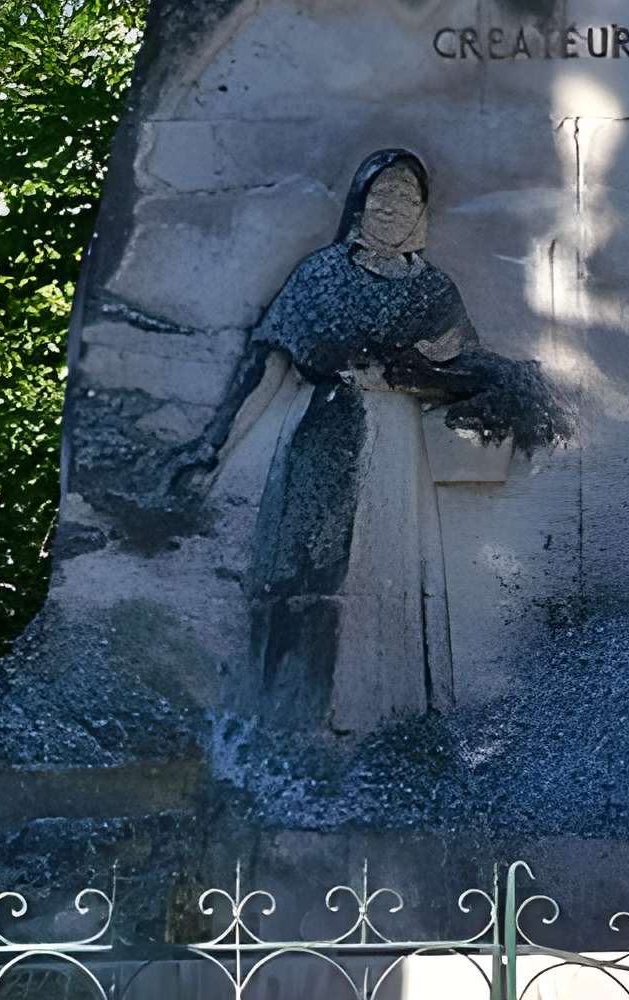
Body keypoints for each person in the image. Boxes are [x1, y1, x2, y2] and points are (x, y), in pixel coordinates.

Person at [171, 149, 557, 734]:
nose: (390, 207)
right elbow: (267, 367)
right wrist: (212, 445)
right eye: (381, 194)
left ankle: (389, 722)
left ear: (422, 211)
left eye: (406, 197)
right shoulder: (320, 275)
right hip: (324, 436)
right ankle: (293, 723)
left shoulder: (434, 292)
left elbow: (466, 369)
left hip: (399, 452)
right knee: (308, 572)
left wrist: (419, 378)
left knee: (392, 581)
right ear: (359, 202)